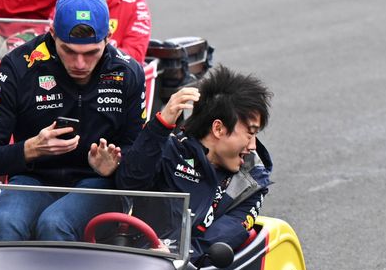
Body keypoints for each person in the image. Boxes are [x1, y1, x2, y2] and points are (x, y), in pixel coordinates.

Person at [0, 0, 146, 241]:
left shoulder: (128, 72)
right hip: (33, 179)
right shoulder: (18, 66)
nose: (80, 64)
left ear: (108, 37)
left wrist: (115, 165)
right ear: (52, 34)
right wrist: (30, 149)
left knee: (55, 224)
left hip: (96, 182)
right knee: (7, 221)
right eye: (69, 51)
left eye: (91, 53)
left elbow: (141, 157)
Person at [115, 67, 273, 256]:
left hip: (189, 268)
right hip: (136, 258)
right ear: (218, 129)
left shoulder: (252, 180)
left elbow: (223, 235)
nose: (253, 146)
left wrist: (178, 254)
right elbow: (129, 184)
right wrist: (159, 127)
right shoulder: (170, 150)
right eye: (250, 133)